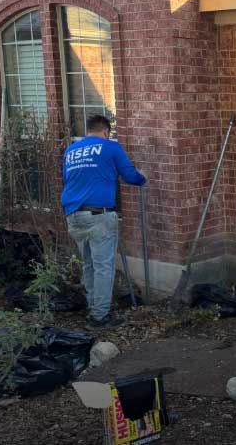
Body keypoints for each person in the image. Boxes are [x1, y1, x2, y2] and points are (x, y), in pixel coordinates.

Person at [61, 115, 146, 331]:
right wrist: (142, 177)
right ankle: (99, 317)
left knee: (89, 264)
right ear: (106, 131)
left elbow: (69, 179)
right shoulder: (110, 148)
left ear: (88, 130)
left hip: (74, 216)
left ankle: (94, 307)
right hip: (99, 215)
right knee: (103, 267)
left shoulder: (71, 151)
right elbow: (130, 176)